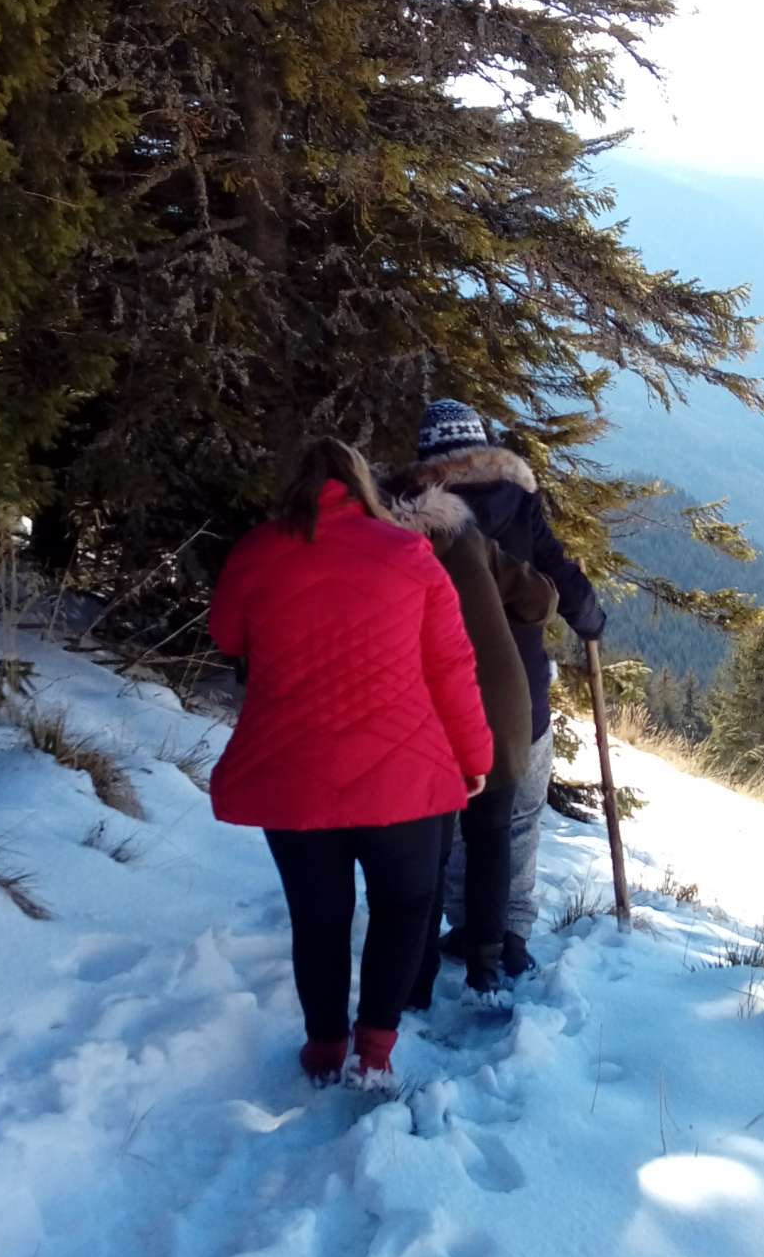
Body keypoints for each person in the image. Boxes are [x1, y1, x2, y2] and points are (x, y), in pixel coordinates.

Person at [207, 437, 492, 1086]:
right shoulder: (410, 554)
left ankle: (324, 1048)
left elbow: (227, 636)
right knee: (404, 906)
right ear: (364, 486)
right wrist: (474, 755)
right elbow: (450, 667)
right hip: (401, 776)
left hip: (292, 773)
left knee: (318, 918)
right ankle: (376, 1049)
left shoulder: (255, 551)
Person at [401, 400, 606, 967]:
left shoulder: (412, 515)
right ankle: (505, 938)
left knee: (445, 825)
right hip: (520, 696)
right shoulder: (519, 502)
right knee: (513, 822)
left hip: (436, 696)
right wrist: (591, 619)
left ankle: (456, 928)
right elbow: (561, 579)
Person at [383, 472, 556, 1005]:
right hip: (502, 707)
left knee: (429, 851)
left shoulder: (381, 547)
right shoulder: (468, 538)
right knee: (491, 836)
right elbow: (541, 599)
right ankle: (485, 969)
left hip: (432, 713)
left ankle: (416, 980)